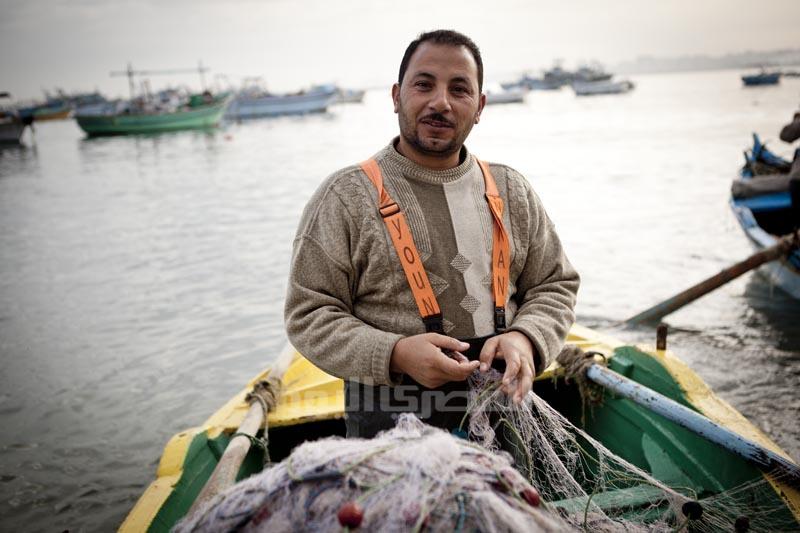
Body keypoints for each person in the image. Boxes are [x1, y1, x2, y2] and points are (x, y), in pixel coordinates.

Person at [285, 29, 580, 438]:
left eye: (459, 90)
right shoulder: (345, 196)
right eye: (424, 85)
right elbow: (309, 313)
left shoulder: (511, 189)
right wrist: (396, 353)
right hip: (388, 435)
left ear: (479, 107)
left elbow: (554, 284)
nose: (440, 102)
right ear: (395, 96)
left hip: (504, 415)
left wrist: (525, 339)